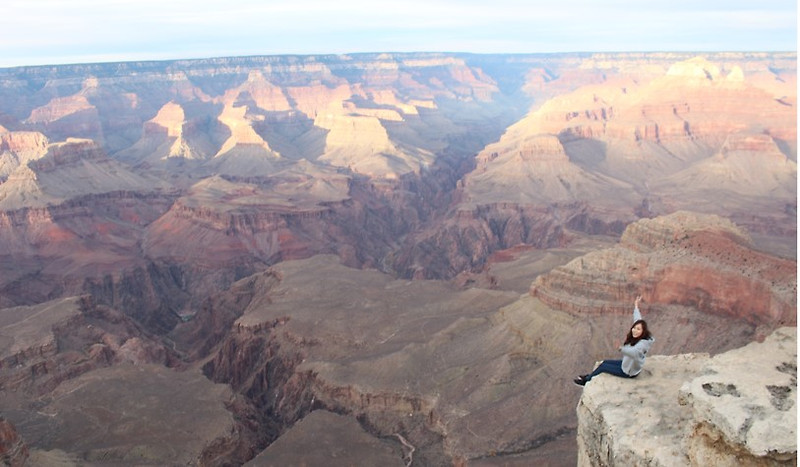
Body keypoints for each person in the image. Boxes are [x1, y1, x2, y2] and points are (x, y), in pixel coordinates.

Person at [574, 295, 654, 386]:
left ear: (643, 331)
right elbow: (638, 319)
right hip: (628, 365)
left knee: (603, 367)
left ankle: (585, 381)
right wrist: (636, 306)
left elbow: (634, 352)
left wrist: (620, 348)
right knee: (605, 362)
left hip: (628, 372)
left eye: (638, 329)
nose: (635, 330)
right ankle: (590, 376)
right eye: (634, 328)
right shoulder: (643, 336)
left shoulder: (643, 344)